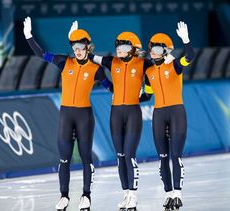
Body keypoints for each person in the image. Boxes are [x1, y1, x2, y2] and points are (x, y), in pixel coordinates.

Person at [69, 22, 173, 211]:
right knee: (120, 156)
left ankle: (133, 195)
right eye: (118, 46)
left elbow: (154, 82)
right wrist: (74, 40)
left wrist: (136, 97)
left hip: (132, 113)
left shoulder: (144, 63)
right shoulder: (111, 61)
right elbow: (88, 56)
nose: (120, 50)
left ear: (133, 49)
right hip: (115, 113)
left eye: (125, 47)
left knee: (129, 156)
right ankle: (125, 194)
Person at [23, 17, 113, 211]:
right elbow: (42, 54)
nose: (77, 50)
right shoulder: (64, 62)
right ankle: (64, 196)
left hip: (84, 117)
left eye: (80, 47)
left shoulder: (96, 70)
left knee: (86, 157)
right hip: (66, 115)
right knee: (64, 158)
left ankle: (86, 196)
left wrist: (133, 94)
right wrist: (29, 36)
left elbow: (110, 88)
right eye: (74, 47)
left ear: (88, 47)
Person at [140, 21, 195, 211]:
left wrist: (186, 40)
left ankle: (178, 193)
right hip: (159, 115)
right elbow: (146, 95)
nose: (152, 52)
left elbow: (190, 56)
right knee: (162, 157)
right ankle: (168, 193)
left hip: (176, 112)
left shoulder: (175, 66)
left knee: (175, 155)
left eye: (156, 48)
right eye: (151, 48)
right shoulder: (148, 72)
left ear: (165, 50)